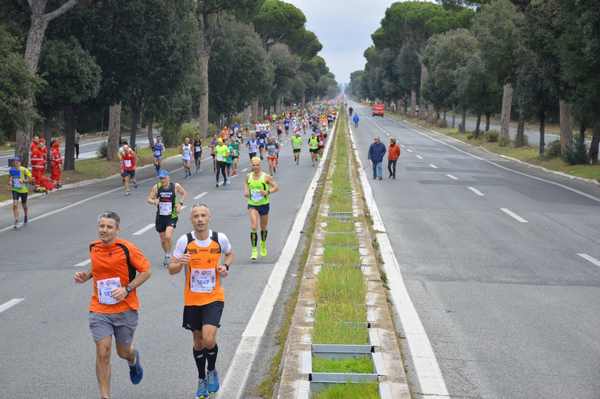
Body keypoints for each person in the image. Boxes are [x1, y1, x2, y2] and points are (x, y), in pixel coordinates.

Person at [74, 211, 151, 399]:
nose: (104, 230)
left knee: (123, 352)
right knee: (103, 351)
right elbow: (99, 267)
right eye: (102, 226)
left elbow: (146, 271)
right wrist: (87, 275)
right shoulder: (94, 247)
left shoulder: (127, 248)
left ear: (117, 229)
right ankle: (105, 395)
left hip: (125, 308)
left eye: (109, 227)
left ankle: (133, 359)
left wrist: (127, 288)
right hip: (100, 308)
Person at [168, 204, 234, 399]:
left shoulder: (219, 239)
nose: (200, 219)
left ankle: (211, 370)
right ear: (191, 219)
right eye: (196, 216)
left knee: (208, 338)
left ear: (209, 217)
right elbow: (171, 269)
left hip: (214, 297)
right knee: (197, 341)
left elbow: (230, 253)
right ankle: (201, 379)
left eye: (203, 215)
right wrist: (180, 262)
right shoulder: (184, 241)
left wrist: (225, 266)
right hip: (192, 299)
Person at [147, 170, 187, 267]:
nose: (162, 180)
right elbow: (149, 199)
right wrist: (154, 201)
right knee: (163, 239)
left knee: (168, 236)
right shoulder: (156, 187)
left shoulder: (175, 186)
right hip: (160, 216)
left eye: (164, 178)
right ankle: (167, 254)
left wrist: (180, 203)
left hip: (172, 214)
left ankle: (171, 255)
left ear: (168, 177)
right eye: (160, 178)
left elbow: (184, 193)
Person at [244, 157, 279, 260]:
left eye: (257, 165)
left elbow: (276, 187)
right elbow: (246, 184)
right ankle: (254, 250)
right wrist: (246, 191)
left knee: (263, 227)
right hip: (252, 204)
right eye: (253, 165)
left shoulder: (266, 177)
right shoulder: (248, 176)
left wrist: (267, 192)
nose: (255, 167)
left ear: (260, 165)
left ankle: (263, 244)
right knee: (254, 226)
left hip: (264, 204)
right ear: (251, 165)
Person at [8, 157, 31, 229]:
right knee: (15, 205)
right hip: (15, 189)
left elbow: (30, 179)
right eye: (14, 162)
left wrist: (23, 181)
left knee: (24, 205)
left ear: (20, 162)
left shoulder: (24, 170)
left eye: (17, 162)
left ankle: (26, 215)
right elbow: (11, 177)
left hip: (23, 190)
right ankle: (16, 220)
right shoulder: (12, 170)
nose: (16, 163)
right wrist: (10, 181)